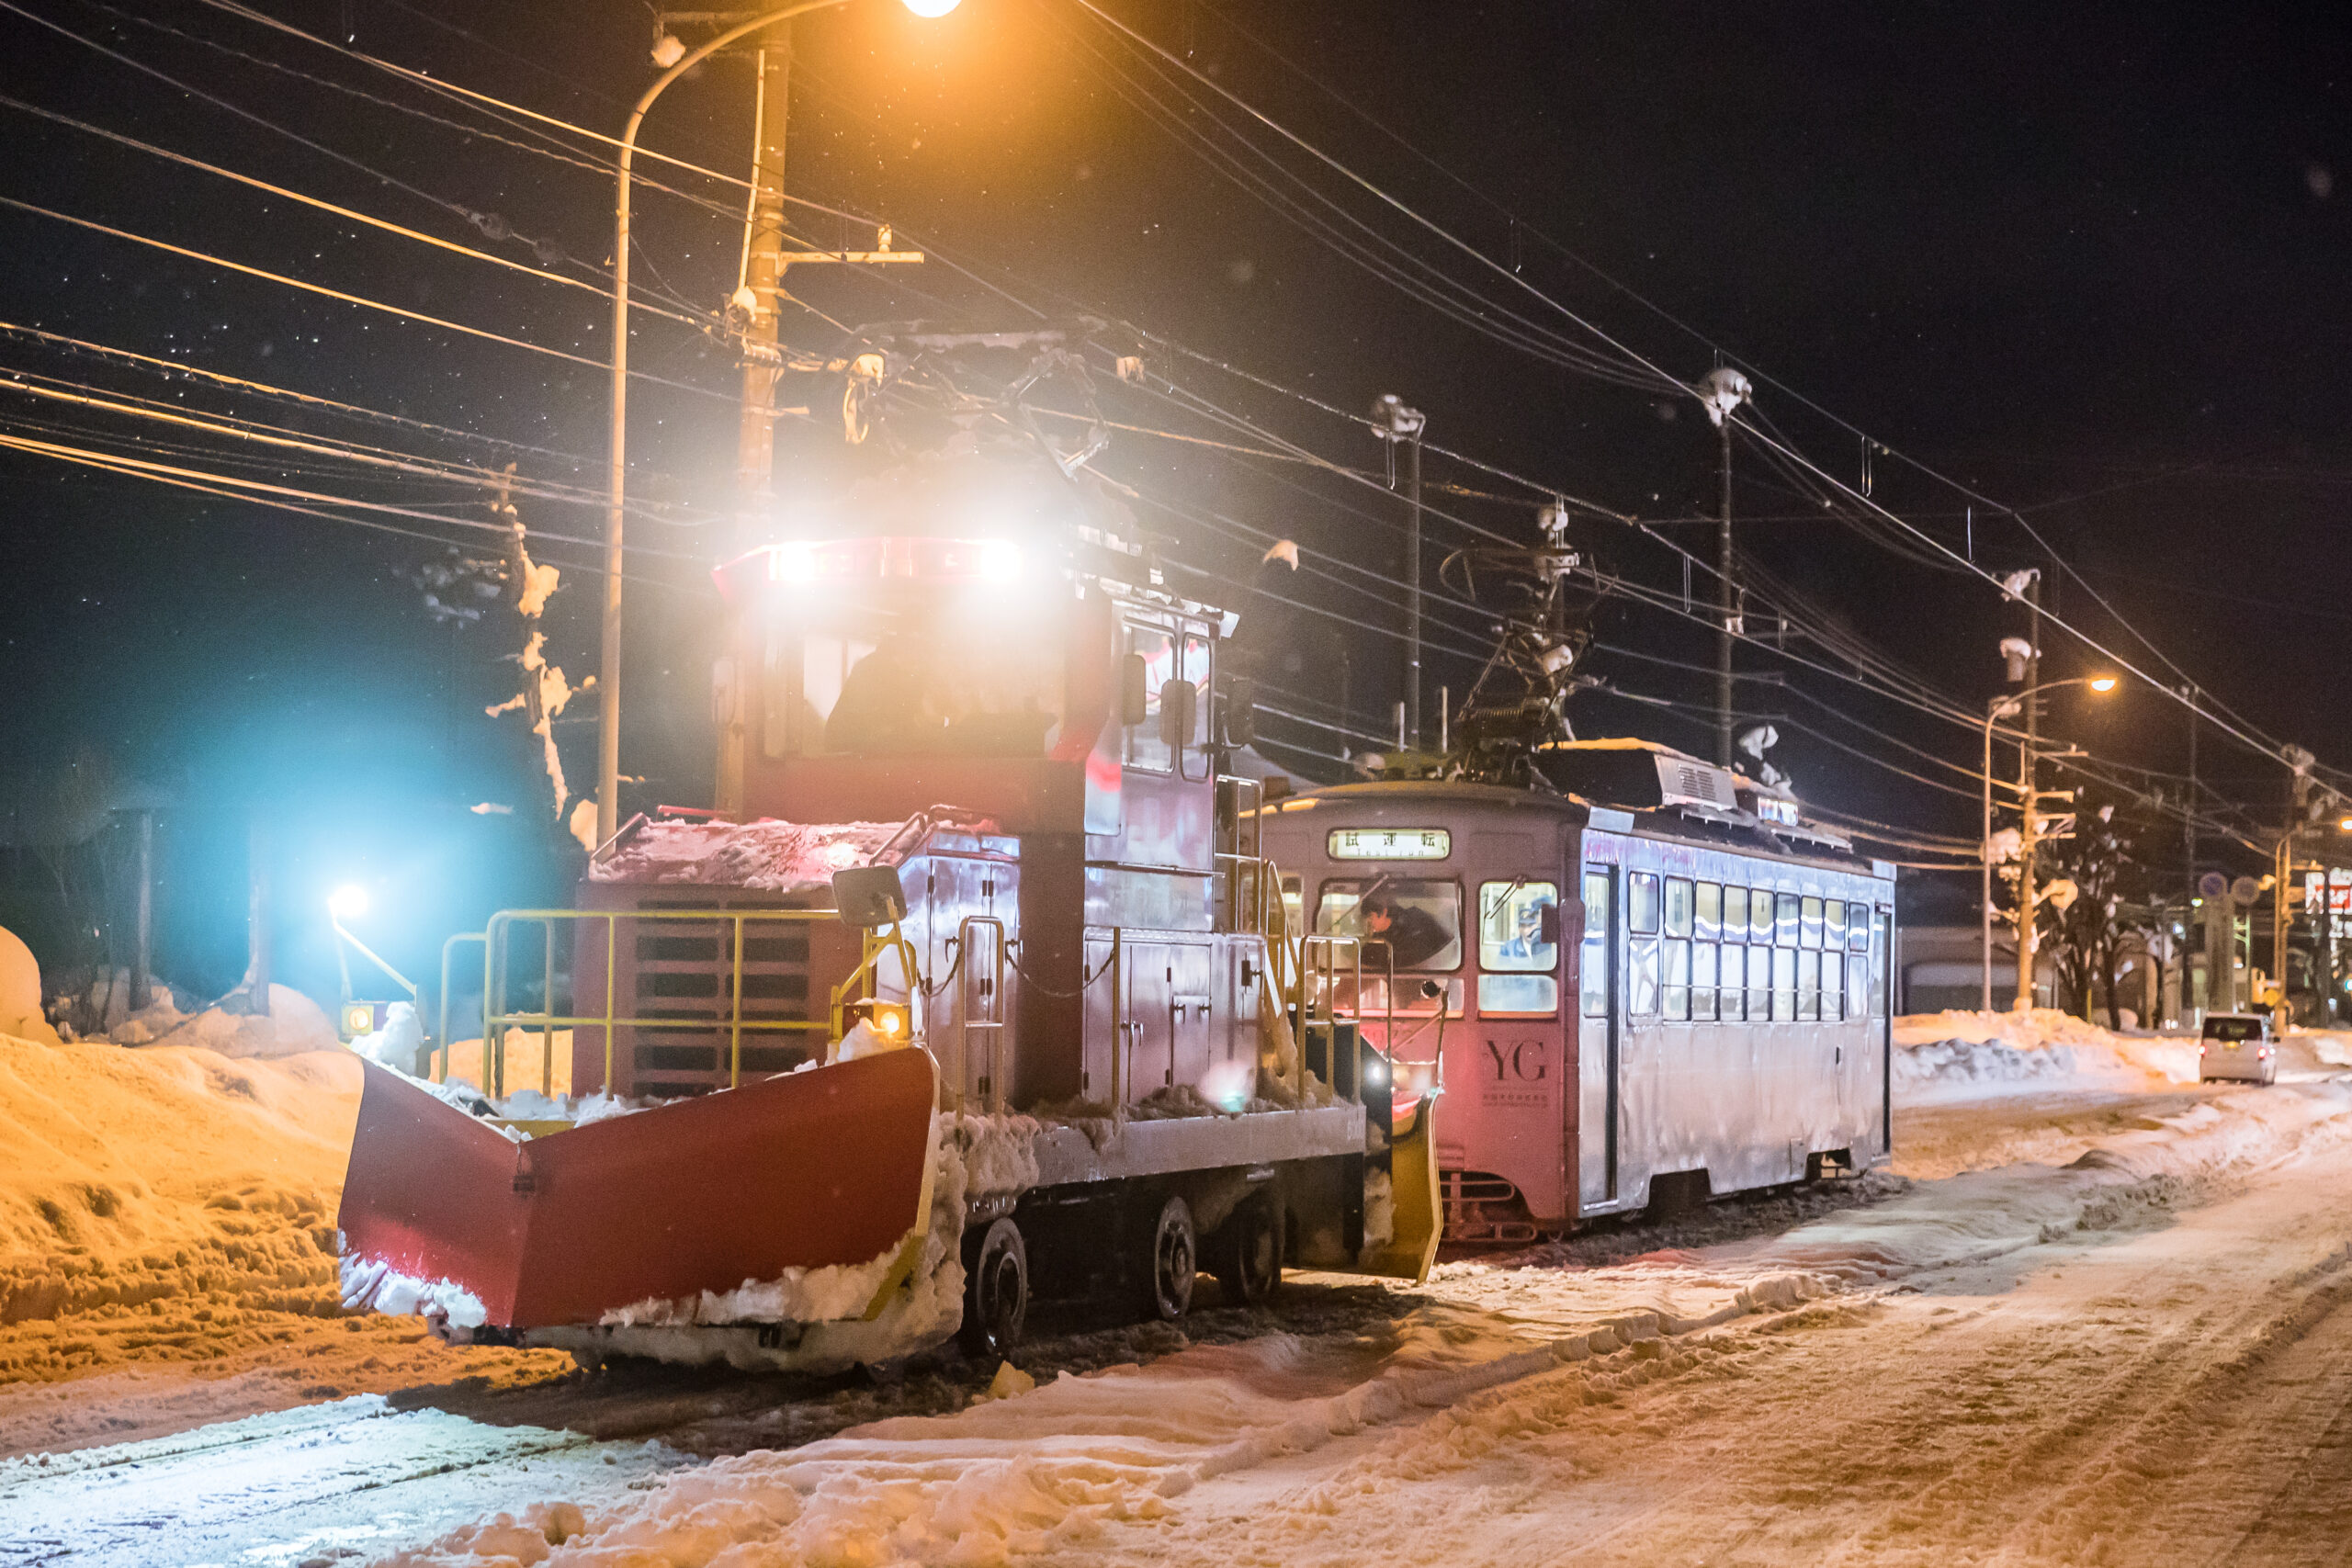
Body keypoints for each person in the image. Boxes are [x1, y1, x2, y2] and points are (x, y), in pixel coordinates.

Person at [1361, 891, 1452, 970]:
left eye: (1370, 917)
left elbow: (1446, 943)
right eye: (1365, 919)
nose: (1369, 923)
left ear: (1384, 912)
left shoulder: (1418, 920)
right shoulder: (1371, 945)